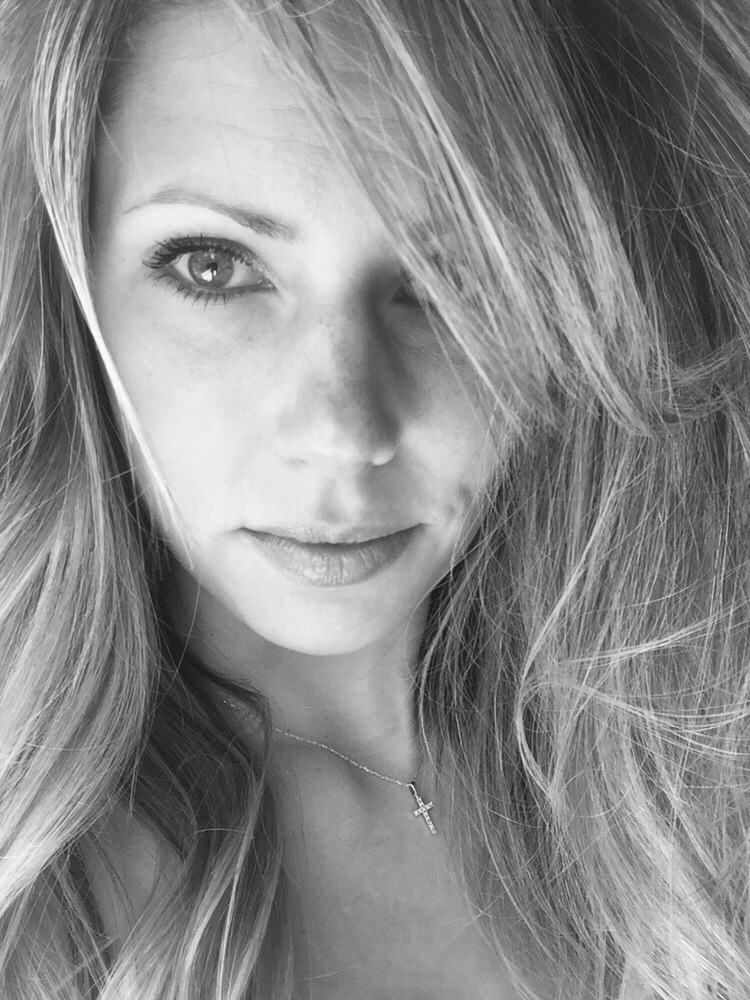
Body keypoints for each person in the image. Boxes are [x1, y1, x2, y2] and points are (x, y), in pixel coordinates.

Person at [1, 0, 749, 996]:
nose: (344, 430)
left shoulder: (695, 787)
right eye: (213, 266)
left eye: (458, 279)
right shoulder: (35, 890)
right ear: (72, 291)